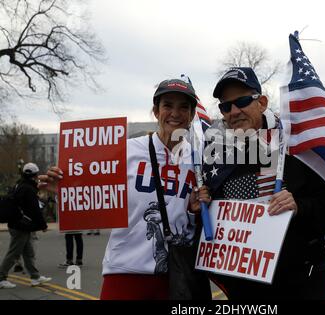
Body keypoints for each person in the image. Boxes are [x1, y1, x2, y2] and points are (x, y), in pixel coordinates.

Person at [39, 78, 212, 300]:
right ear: (156, 111)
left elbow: (195, 222)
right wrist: (66, 189)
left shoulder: (199, 160)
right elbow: (96, 196)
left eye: (184, 107)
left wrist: (194, 210)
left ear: (191, 115)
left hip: (177, 276)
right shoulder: (127, 150)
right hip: (124, 273)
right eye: (168, 105)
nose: (175, 113)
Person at [203, 67, 325, 299]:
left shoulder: (298, 146)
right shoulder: (218, 157)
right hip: (245, 288)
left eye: (243, 101)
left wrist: (298, 206)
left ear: (262, 102)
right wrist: (201, 205)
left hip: (301, 283)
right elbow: (215, 220)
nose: (234, 111)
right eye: (225, 106)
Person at [0, 163, 52, 289]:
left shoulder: (19, 185)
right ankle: (1, 278)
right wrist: (43, 225)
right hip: (21, 225)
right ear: (35, 175)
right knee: (14, 253)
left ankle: (35, 277)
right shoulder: (28, 189)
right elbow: (34, 210)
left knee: (28, 252)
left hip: (18, 223)